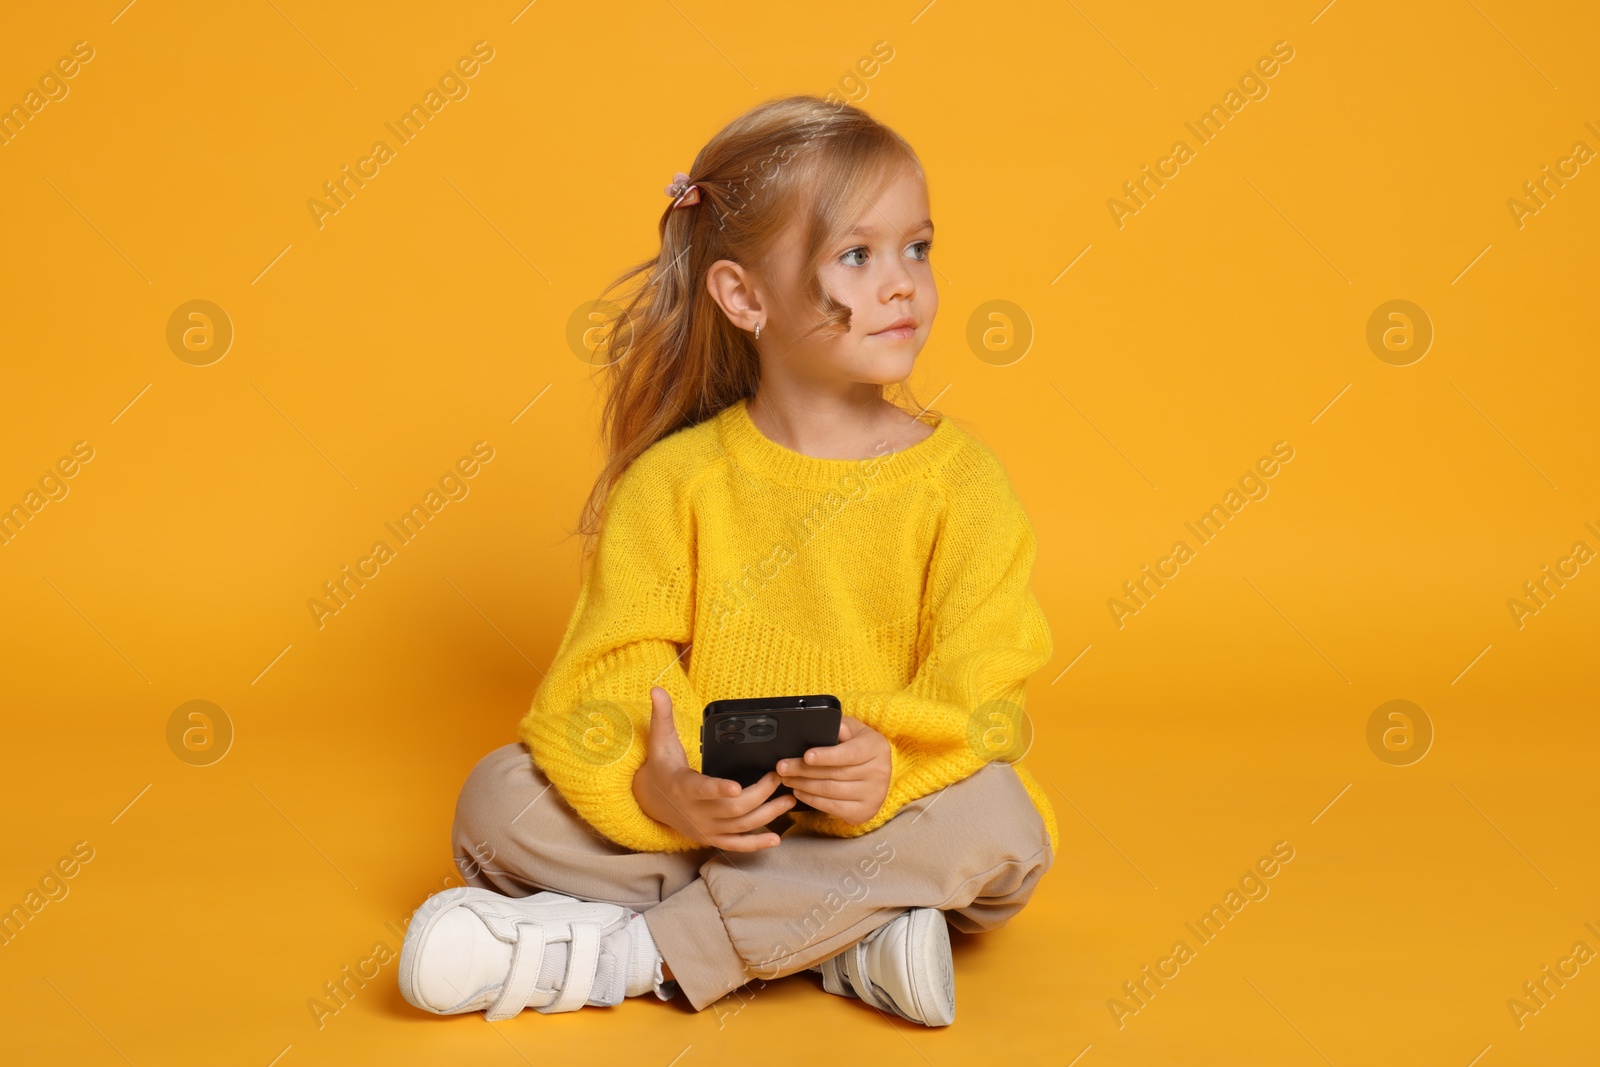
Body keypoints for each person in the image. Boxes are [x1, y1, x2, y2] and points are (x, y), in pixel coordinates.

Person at [397, 94, 1057, 1028]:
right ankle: (844, 931)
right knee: (496, 802)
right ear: (745, 297)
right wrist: (657, 787)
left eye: (919, 247)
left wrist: (889, 765)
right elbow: (612, 668)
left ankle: (641, 953)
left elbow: (985, 690)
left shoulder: (965, 485)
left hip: (881, 820)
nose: (903, 282)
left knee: (1000, 822)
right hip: (715, 826)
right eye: (857, 255)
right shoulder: (677, 481)